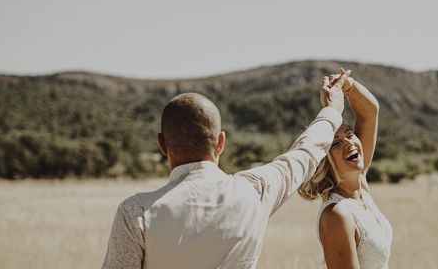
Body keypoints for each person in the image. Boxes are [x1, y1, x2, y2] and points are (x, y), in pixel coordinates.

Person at [102, 73, 348, 269]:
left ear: (162, 145)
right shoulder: (255, 190)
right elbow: (304, 154)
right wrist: (332, 110)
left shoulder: (135, 213)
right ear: (221, 142)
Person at [298, 69, 393, 269]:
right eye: (336, 143)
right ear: (324, 161)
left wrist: (346, 84)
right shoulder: (337, 214)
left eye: (349, 134)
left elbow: (370, 112)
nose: (349, 142)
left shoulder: (361, 186)